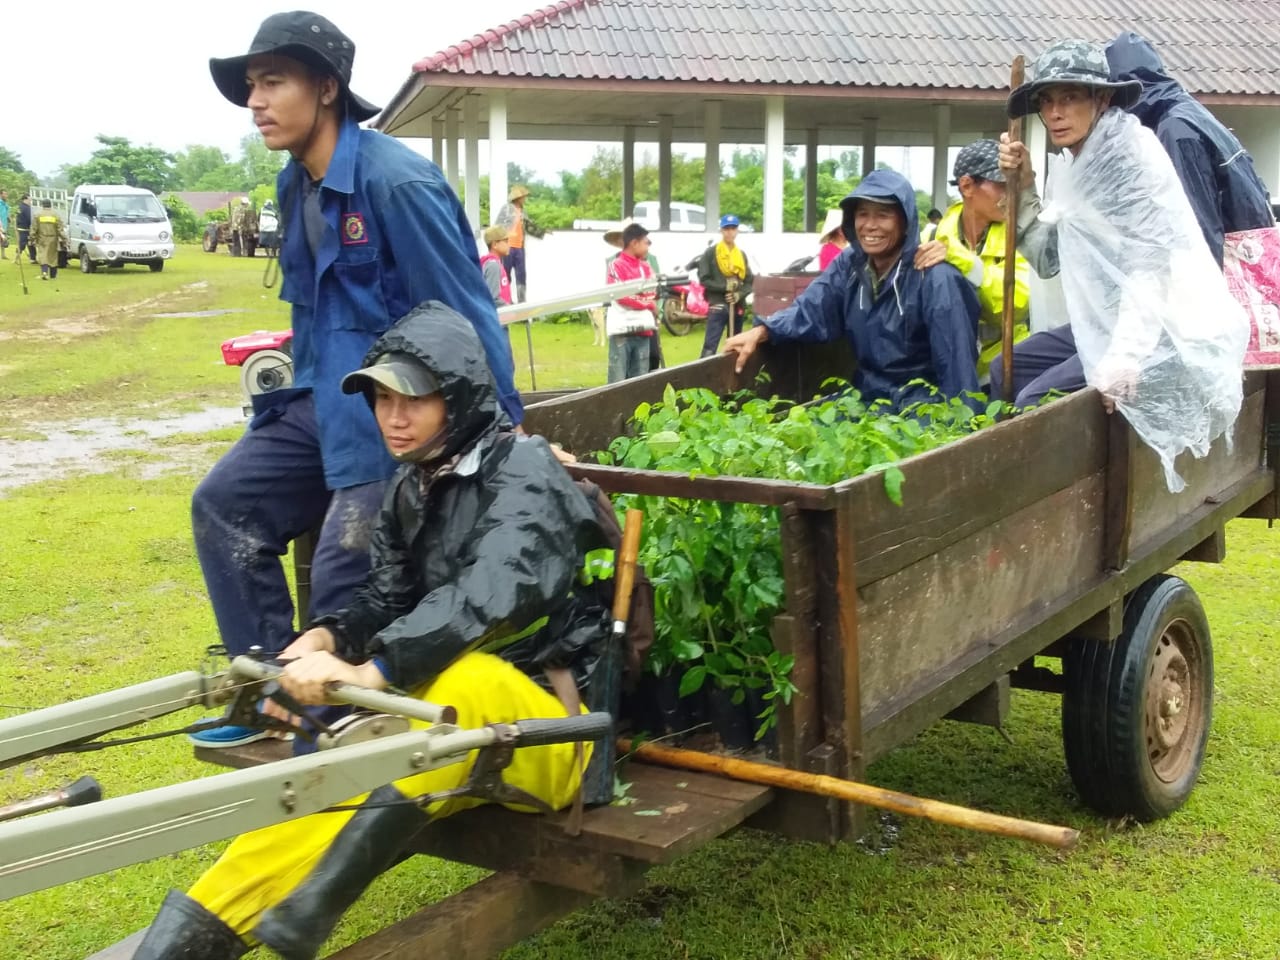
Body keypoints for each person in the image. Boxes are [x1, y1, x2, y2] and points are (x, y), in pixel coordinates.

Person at [127, 302, 616, 960]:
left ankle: (313, 908)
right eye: (382, 398)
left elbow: (488, 597)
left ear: (461, 396)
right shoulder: (410, 488)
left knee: (468, 683)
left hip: (556, 730)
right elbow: (385, 598)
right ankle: (179, 947)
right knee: (321, 793)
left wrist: (370, 671)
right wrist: (329, 638)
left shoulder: (528, 473)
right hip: (444, 735)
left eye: (412, 399)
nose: (393, 416)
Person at [191, 11, 521, 750]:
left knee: (347, 560)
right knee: (223, 506)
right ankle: (273, 689)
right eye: (251, 85)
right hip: (322, 403)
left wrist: (508, 431)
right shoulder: (294, 187)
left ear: (328, 88)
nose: (256, 101)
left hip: (397, 421)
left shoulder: (397, 183)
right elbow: (312, 315)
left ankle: (324, 721)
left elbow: (468, 313)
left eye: (273, 81)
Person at [995, 39, 1248, 489]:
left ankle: (1046, 507)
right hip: (1107, 321)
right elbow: (1050, 258)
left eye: (1070, 97)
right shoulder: (1077, 164)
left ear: (1103, 98)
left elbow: (1150, 263)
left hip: (1163, 327)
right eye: (1047, 101)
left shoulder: (1131, 158)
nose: (1055, 112)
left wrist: (1124, 357)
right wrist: (1023, 187)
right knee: (1003, 371)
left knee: (1037, 399)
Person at [724, 169, 980, 410]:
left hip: (922, 403)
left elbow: (956, 365)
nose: (870, 225)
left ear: (906, 223)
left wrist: (961, 429)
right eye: (862, 214)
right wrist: (764, 330)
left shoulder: (935, 278)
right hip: (868, 396)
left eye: (883, 215)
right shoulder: (850, 265)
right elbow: (812, 306)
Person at [1106, 31, 1275, 268]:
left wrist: (1197, 292)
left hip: (1228, 272)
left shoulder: (1175, 131)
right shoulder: (1190, 112)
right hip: (1254, 258)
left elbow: (1197, 227)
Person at [914, 139, 1032, 381]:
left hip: (1007, 372)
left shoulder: (1021, 235)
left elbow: (1017, 304)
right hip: (946, 375)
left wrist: (963, 262)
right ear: (967, 186)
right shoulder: (930, 238)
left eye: (1015, 185)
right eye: (1002, 185)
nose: (1011, 195)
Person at [604, 219, 664, 368]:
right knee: (619, 375)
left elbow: (653, 291)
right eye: (645, 242)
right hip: (622, 329)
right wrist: (647, 303)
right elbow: (619, 295)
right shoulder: (615, 264)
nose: (647, 246)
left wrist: (651, 303)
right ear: (633, 242)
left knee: (643, 372)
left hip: (644, 327)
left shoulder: (647, 265)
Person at [697, 213, 754, 358]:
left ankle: (733, 378)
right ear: (721, 230)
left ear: (737, 231)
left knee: (736, 346)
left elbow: (749, 281)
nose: (730, 232)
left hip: (737, 304)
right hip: (718, 304)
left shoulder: (741, 255)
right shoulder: (711, 253)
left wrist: (738, 294)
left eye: (733, 228)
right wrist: (724, 287)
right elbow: (704, 278)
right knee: (710, 347)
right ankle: (704, 377)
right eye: (727, 228)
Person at [495, 184, 548, 303]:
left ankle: (521, 302)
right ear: (517, 198)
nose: (524, 199)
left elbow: (529, 226)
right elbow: (498, 226)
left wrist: (542, 232)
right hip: (508, 247)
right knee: (506, 275)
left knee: (521, 276)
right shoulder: (506, 209)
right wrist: (499, 242)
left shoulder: (523, 211)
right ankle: (506, 300)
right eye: (523, 197)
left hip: (520, 248)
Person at [480, 223, 512, 307]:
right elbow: (493, 299)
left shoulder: (495, 263)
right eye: (505, 241)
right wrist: (512, 309)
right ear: (494, 245)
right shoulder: (493, 266)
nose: (509, 245)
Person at [31, 198, 63, 281]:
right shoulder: (55, 215)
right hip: (53, 238)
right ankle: (53, 275)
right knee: (53, 257)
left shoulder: (38, 214)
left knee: (43, 255)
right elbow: (60, 229)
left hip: (42, 238)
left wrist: (32, 237)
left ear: (42, 205)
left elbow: (34, 228)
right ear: (50, 205)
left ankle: (44, 272)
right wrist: (64, 238)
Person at [16, 193, 35, 264]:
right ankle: (16, 259)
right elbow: (29, 218)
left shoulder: (19, 207)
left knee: (31, 243)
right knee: (22, 244)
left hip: (21, 228)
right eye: (30, 200)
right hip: (25, 229)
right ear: (25, 199)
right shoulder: (26, 208)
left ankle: (33, 258)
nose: (30, 201)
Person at [0, 189, 9, 260]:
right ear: (1, 194)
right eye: (5, 194)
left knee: (3, 240)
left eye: (6, 194)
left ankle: (3, 255)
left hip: (4, 224)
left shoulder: (6, 204)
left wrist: (8, 218)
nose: (6, 195)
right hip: (0, 225)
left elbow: (6, 213)